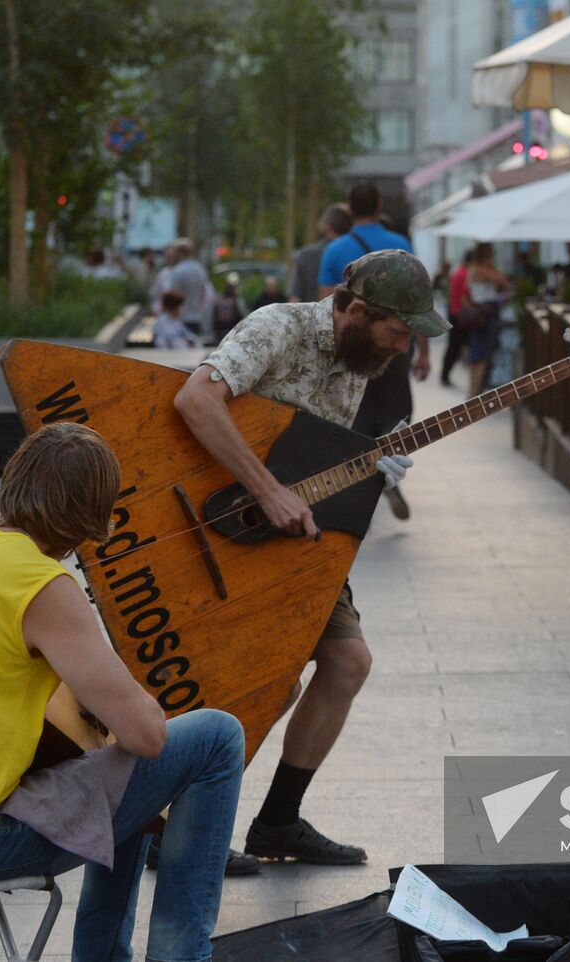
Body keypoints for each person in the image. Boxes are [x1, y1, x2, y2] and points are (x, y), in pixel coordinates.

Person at [0, 422, 244, 961]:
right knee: (215, 737)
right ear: (93, 517)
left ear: (14, 478)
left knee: (124, 773)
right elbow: (147, 734)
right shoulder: (40, 585)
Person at [173, 249, 449, 867]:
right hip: (217, 526)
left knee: (348, 662)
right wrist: (267, 491)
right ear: (354, 309)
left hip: (287, 539)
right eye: (397, 332)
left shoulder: (359, 356)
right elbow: (196, 401)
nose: (401, 349)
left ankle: (276, 823)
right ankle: (170, 827)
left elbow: (305, 452)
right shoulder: (277, 327)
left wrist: (368, 461)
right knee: (265, 682)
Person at [318, 182, 429, 520]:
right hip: (394, 344)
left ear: (350, 209)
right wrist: (423, 351)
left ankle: (367, 473)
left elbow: (326, 302)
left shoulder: (336, 249)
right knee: (397, 409)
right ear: (380, 205)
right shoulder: (400, 245)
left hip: (355, 347)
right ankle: (386, 465)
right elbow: (418, 305)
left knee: (358, 411)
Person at [463, 243, 512, 397]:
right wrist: (492, 268)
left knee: (479, 351)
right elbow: (503, 281)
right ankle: (475, 391)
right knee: (481, 352)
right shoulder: (481, 269)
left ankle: (474, 389)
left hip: (481, 311)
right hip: (485, 312)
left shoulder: (472, 269)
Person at [288, 204, 352, 304]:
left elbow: (295, 297)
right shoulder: (356, 252)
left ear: (326, 226)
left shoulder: (307, 254)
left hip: (311, 316)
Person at [167, 239, 217, 343]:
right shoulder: (200, 269)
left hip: (181, 318)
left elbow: (172, 295)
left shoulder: (178, 271)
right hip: (197, 317)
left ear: (179, 253)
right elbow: (206, 294)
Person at [441, 249, 475, 387]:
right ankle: (445, 375)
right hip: (460, 315)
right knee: (455, 347)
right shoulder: (466, 274)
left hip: (454, 312)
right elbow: (465, 297)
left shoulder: (458, 271)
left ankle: (445, 375)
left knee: (454, 347)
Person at [212, 273, 246, 342]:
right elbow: (242, 316)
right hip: (232, 330)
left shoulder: (219, 299)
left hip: (219, 330)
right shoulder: (237, 301)